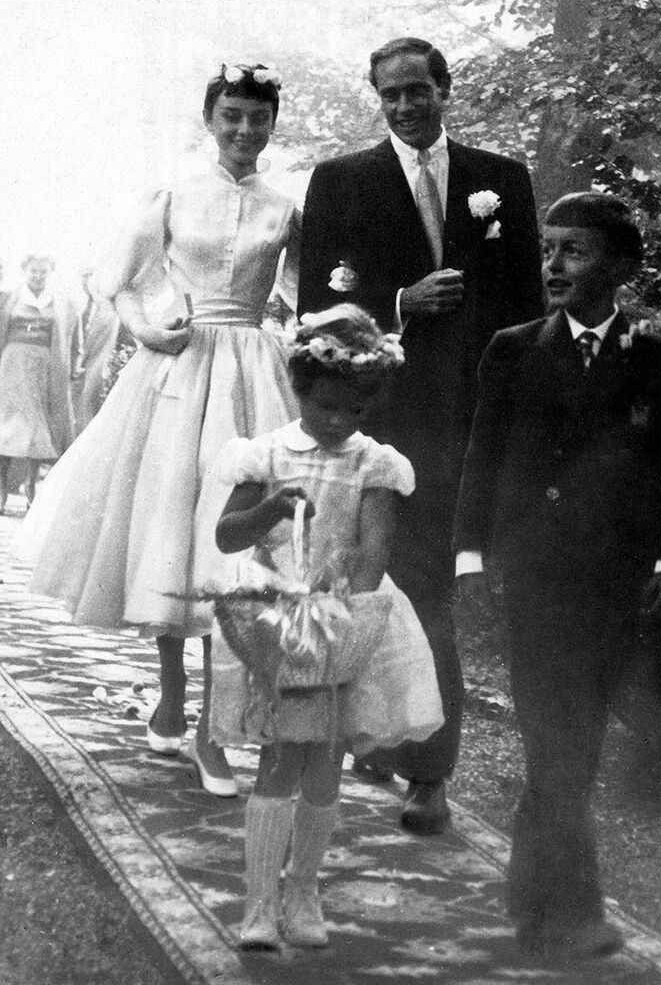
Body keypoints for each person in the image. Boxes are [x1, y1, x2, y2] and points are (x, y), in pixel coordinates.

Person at [19, 64, 301, 796]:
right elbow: (112, 278)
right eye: (231, 115)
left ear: (273, 124)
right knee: (171, 532)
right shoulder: (174, 193)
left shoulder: (284, 208)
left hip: (251, 375)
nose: (244, 130)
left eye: (257, 118)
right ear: (211, 120)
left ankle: (212, 728)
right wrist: (150, 332)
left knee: (235, 544)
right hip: (178, 374)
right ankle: (173, 696)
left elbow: (305, 294)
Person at [298, 37, 543, 834]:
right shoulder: (341, 181)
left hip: (462, 429)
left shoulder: (500, 181)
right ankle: (365, 738)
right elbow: (316, 311)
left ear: (444, 88)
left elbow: (529, 310)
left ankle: (430, 776)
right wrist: (399, 301)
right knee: (360, 585)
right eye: (390, 94)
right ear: (377, 98)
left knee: (431, 595)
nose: (405, 106)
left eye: (417, 91)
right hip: (377, 422)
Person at [454, 192, 661, 962]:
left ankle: (532, 896)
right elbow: (481, 459)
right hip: (536, 575)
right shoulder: (515, 347)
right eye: (549, 249)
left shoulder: (655, 361)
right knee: (554, 737)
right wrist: (469, 556)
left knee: (576, 742)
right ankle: (571, 910)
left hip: (617, 581)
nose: (554, 265)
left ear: (622, 268)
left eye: (575, 251)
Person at [212, 303, 443, 949]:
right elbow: (228, 537)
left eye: (355, 411)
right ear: (300, 390)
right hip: (274, 618)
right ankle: (259, 905)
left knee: (324, 763)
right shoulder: (263, 455)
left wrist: (336, 617)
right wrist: (268, 511)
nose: (340, 422)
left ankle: (304, 891)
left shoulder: (374, 464)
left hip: (343, 619)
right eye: (326, 408)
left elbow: (372, 555)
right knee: (279, 757)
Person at [0, 255, 81, 513]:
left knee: (37, 429)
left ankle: (31, 488)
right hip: (11, 366)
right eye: (34, 271)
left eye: (43, 272)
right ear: (25, 271)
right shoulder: (9, 298)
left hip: (43, 368)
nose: (38, 276)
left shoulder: (60, 303)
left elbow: (72, 336)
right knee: (7, 426)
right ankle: (1, 490)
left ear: (49, 273)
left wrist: (72, 365)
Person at [72, 267, 122, 435]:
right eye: (84, 277)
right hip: (78, 366)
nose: (87, 282)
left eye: (91, 277)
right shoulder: (81, 306)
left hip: (100, 366)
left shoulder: (112, 311)